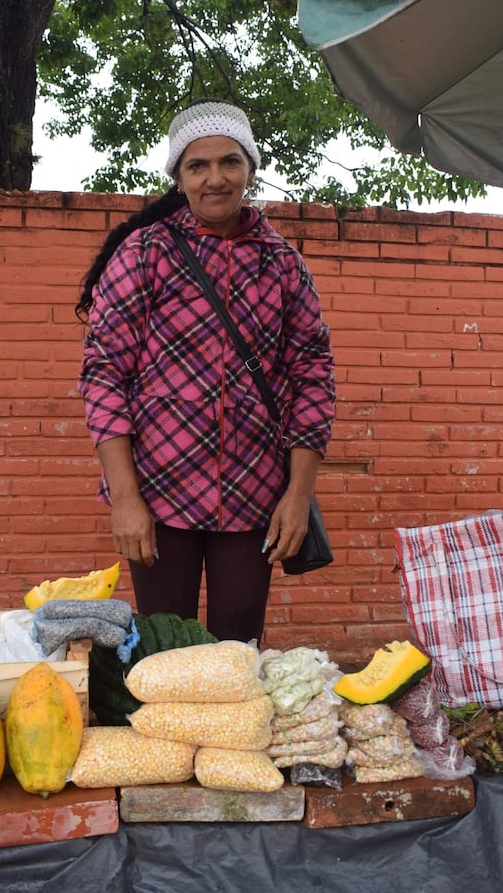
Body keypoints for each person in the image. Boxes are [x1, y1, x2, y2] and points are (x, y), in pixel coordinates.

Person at [75, 98, 335, 644]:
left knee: (238, 649)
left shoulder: (283, 263)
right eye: (198, 165)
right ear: (178, 176)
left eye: (229, 162)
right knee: (163, 647)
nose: (215, 178)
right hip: (159, 491)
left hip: (254, 493)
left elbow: (313, 376)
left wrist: (299, 494)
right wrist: (125, 500)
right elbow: (103, 376)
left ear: (250, 169)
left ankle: (230, 734)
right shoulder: (144, 255)